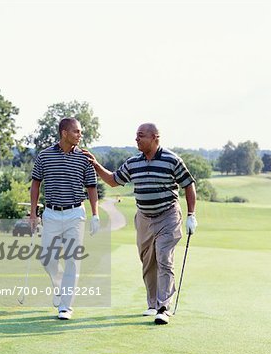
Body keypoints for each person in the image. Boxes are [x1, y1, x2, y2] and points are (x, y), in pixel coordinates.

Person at [84, 123, 197, 325]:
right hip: (144, 217)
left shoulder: (172, 159)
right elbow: (113, 180)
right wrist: (95, 164)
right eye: (136, 136)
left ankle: (163, 307)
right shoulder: (133, 162)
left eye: (141, 136)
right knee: (147, 261)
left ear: (155, 137)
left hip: (168, 215)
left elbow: (188, 184)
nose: (136, 139)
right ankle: (152, 303)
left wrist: (191, 214)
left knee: (164, 258)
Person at [30, 117, 100, 320]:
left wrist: (95, 214)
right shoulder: (44, 156)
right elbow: (35, 184)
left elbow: (92, 187)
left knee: (72, 260)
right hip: (51, 213)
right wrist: (33, 214)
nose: (80, 135)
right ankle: (59, 284)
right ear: (64, 133)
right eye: (76, 131)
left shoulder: (85, 158)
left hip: (75, 214)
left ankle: (65, 307)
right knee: (47, 257)